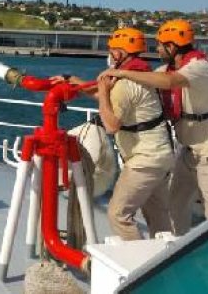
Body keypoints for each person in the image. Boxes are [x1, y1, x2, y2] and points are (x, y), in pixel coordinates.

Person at [99, 19, 208, 235]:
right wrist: (77, 83)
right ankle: (175, 253)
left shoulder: (199, 68)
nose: (157, 49)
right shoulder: (165, 70)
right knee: (174, 207)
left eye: (160, 45)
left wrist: (122, 73)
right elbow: (150, 79)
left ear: (172, 46)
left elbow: (170, 82)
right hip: (187, 149)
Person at [56, 27, 173, 241]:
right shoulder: (142, 74)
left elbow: (110, 125)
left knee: (118, 214)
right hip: (161, 154)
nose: (109, 55)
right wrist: (77, 83)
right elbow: (112, 100)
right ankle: (168, 257)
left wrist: (102, 93)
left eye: (111, 50)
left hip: (145, 160)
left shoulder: (124, 85)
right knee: (158, 215)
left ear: (119, 54)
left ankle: (140, 266)